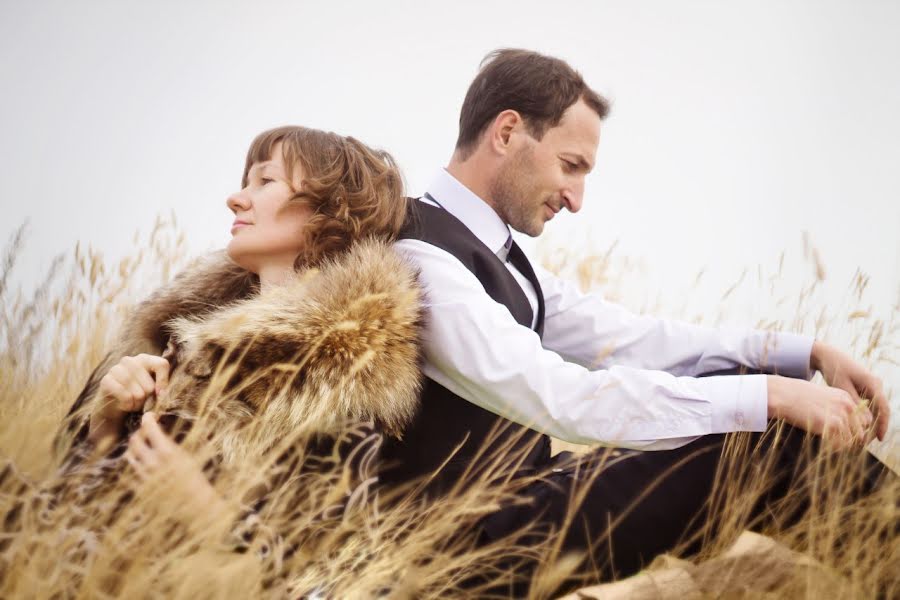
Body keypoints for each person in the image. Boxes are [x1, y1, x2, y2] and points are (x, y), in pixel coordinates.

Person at [382, 48, 894, 591]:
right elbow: (559, 397)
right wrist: (768, 397)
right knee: (760, 434)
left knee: (750, 408)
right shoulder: (421, 257)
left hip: (527, 508)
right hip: (472, 551)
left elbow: (633, 339)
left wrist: (803, 355)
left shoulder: (501, 256)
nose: (576, 200)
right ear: (506, 132)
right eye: (570, 166)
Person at [52, 125, 423, 571]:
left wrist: (212, 516)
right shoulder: (179, 344)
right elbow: (63, 511)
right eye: (246, 181)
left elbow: (327, 579)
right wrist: (105, 422)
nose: (236, 198)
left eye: (265, 181)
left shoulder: (337, 379)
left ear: (330, 207)